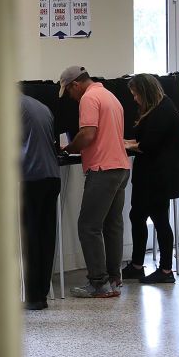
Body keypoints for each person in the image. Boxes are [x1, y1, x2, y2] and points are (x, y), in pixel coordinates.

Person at [59, 66, 130, 298]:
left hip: (103, 169)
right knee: (112, 225)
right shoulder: (110, 96)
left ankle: (98, 283)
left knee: (88, 226)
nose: (71, 97)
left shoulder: (88, 98)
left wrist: (69, 148)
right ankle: (113, 278)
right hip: (120, 166)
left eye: (69, 92)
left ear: (75, 85)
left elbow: (88, 134)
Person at [121, 74, 179, 284]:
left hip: (158, 176)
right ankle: (137, 264)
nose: (134, 99)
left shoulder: (163, 111)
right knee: (137, 216)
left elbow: (148, 144)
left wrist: (127, 145)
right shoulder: (159, 108)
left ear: (145, 92)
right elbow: (145, 139)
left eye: (136, 94)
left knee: (160, 221)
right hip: (150, 175)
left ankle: (166, 270)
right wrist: (129, 142)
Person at [20, 94, 61, 310]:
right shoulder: (42, 105)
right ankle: (41, 295)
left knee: (30, 238)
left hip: (31, 177)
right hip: (52, 176)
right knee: (46, 238)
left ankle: (32, 297)